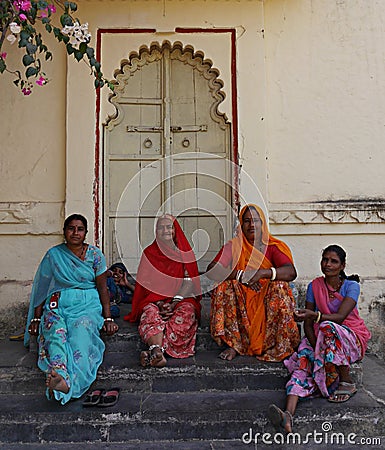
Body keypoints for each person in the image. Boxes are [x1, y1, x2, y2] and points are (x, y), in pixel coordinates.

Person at [268, 244, 371, 433]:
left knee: (327, 327)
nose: (327, 264)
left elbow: (340, 318)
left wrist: (314, 317)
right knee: (302, 362)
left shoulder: (351, 286)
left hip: (350, 338)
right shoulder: (314, 286)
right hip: (321, 338)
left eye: (333, 261)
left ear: (342, 265)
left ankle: (346, 381)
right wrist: (317, 351)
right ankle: (288, 415)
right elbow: (308, 325)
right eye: (325, 259)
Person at [24, 214, 119, 404]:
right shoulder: (54, 255)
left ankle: (70, 383)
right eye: (71, 228)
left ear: (85, 232)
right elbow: (42, 289)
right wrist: (36, 319)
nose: (75, 233)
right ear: (64, 231)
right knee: (55, 334)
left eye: (80, 229)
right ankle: (59, 375)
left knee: (80, 338)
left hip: (86, 305)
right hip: (57, 305)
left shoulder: (95, 255)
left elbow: (102, 288)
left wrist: (108, 318)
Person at [206, 204, 300, 362]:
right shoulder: (234, 246)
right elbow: (212, 270)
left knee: (280, 286)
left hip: (265, 296)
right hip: (241, 296)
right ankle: (234, 344)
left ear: (262, 223)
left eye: (256, 221)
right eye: (247, 221)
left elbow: (291, 272)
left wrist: (262, 273)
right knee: (224, 285)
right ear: (241, 225)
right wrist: (242, 275)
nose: (252, 225)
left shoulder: (273, 247)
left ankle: (276, 344)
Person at [124, 214, 201, 368]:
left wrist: (174, 302)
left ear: (175, 230)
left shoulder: (184, 253)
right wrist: (159, 303)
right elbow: (145, 285)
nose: (165, 230)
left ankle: (155, 351)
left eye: (169, 227)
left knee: (187, 313)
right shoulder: (149, 253)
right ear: (156, 231)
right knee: (149, 313)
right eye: (161, 227)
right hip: (154, 299)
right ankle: (158, 352)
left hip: (181, 298)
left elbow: (189, 282)